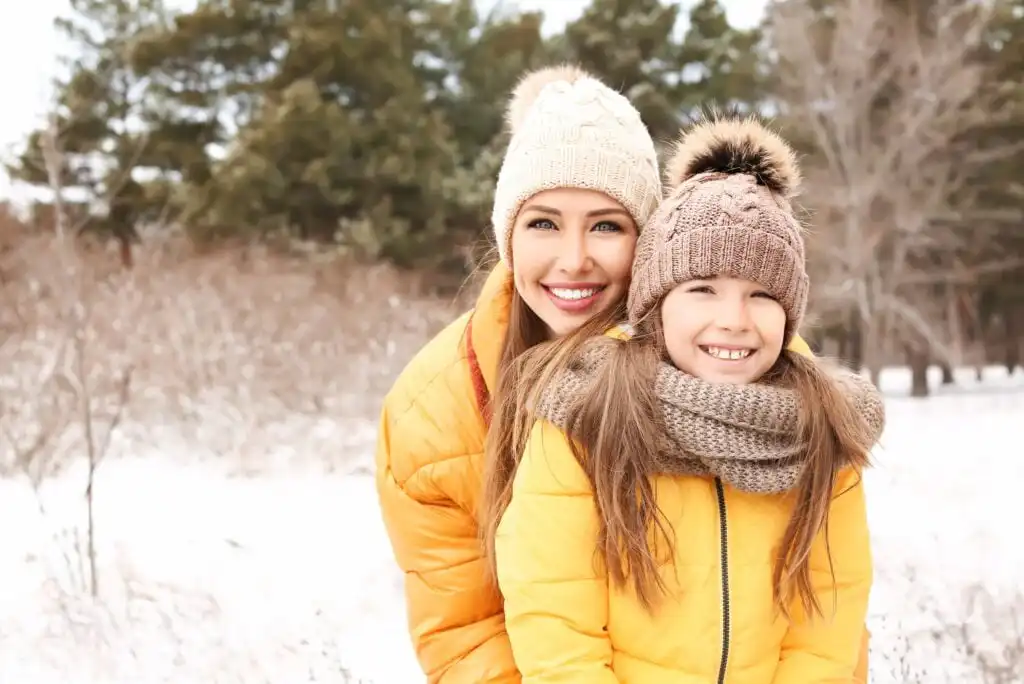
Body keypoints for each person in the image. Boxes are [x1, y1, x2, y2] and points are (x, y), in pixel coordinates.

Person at [491, 116, 886, 683]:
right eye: (702, 290)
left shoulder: (819, 433)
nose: (733, 321)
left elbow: (829, 606)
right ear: (655, 306)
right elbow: (552, 604)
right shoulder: (586, 415)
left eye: (761, 296)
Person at [373, 64, 664, 683]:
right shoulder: (433, 412)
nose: (574, 259)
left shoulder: (722, 352)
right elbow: (466, 635)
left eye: (607, 225)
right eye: (543, 223)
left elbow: (805, 602)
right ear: (508, 235)